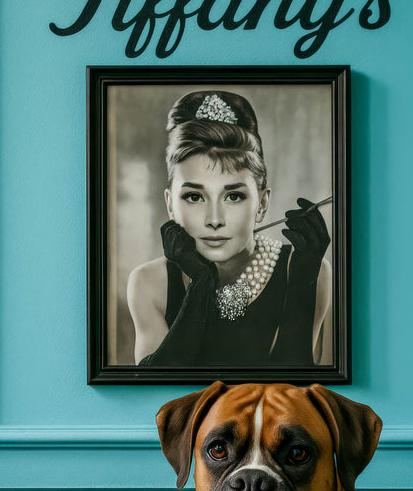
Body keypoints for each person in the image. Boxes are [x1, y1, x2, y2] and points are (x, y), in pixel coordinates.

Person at [126, 89, 331, 368]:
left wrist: (301, 285)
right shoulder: (149, 282)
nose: (214, 220)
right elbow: (155, 393)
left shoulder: (311, 270)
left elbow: (297, 395)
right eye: (194, 197)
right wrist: (201, 283)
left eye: (233, 196)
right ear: (170, 204)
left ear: (262, 203)